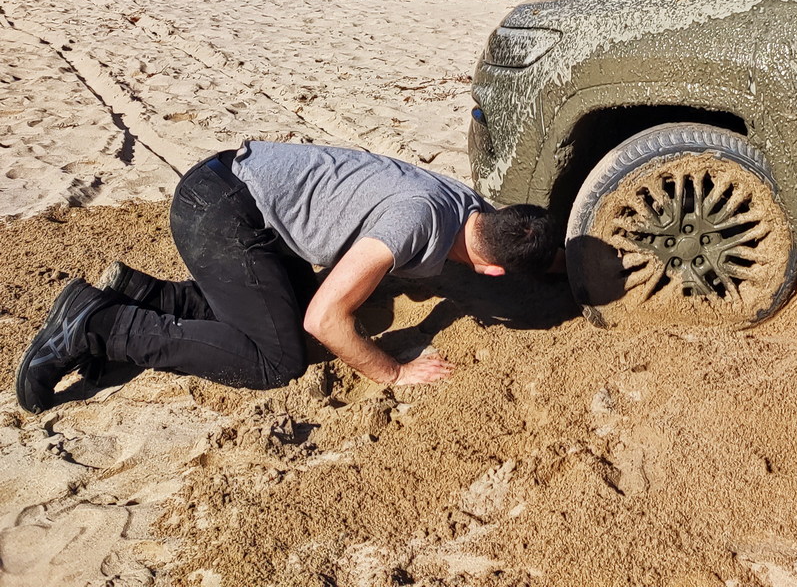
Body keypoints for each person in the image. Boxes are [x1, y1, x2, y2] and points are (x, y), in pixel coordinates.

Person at [15, 141, 558, 413]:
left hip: (243, 192)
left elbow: (506, 242)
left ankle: (143, 295)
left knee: (279, 317)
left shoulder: (475, 209)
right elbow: (328, 320)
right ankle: (100, 326)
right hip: (220, 207)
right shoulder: (413, 223)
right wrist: (392, 373)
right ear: (489, 268)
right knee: (278, 357)